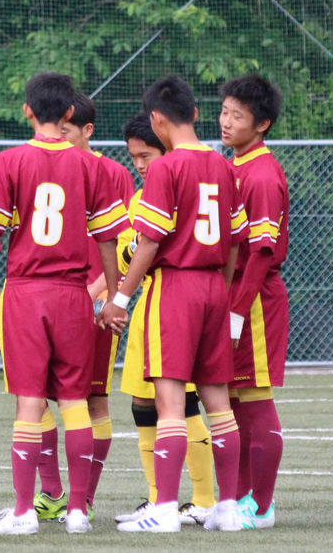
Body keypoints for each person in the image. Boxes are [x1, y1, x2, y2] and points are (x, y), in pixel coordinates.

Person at [0, 72, 129, 536]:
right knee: (77, 402)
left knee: (29, 403)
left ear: (27, 111)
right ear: (67, 116)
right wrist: (114, 297)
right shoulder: (92, 166)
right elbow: (108, 238)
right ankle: (78, 511)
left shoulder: (10, 161)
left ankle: (24, 512)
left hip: (25, 291)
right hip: (74, 295)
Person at [100, 76, 248, 533]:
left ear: (156, 121)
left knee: (168, 403)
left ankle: (164, 508)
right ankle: (226, 509)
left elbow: (148, 242)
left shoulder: (165, 169)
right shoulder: (224, 166)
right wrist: (220, 289)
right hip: (212, 289)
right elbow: (235, 243)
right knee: (218, 404)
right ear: (198, 115)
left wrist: (119, 298)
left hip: (176, 288)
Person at [112, 113, 218, 527]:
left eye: (147, 155)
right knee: (143, 404)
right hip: (148, 307)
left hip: (179, 305)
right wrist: (136, 246)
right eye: (134, 157)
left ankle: (205, 497)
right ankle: (159, 500)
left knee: (183, 402)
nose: (140, 165)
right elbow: (127, 254)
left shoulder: (184, 186)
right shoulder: (140, 200)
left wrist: (145, 247)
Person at [46, 92, 133, 519]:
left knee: (94, 399)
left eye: (65, 131)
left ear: (86, 131)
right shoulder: (41, 166)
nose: (57, 138)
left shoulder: (112, 174)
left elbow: (123, 242)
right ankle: (49, 494)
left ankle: (84, 499)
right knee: (35, 398)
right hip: (47, 300)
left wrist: (100, 292)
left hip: (93, 300)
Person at [219, 75, 289, 530]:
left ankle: (260, 507)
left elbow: (262, 254)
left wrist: (237, 313)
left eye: (237, 116)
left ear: (261, 124)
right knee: (236, 403)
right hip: (234, 296)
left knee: (255, 401)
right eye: (224, 111)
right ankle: (239, 498)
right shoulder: (233, 166)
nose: (226, 122)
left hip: (256, 300)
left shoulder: (262, 174)